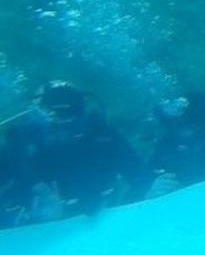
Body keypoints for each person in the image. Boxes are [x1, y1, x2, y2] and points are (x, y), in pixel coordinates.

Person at [2, 81, 149, 222]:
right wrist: (35, 219)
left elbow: (140, 176)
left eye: (68, 117)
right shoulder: (19, 150)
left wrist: (150, 191)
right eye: (55, 118)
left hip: (102, 222)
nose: (63, 127)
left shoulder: (101, 136)